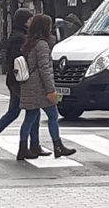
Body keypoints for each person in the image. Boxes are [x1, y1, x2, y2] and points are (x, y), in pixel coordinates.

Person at [0, 9, 48, 158]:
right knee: (32, 110)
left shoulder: (16, 36)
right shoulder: (20, 38)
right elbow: (20, 61)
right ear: (24, 21)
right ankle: (30, 146)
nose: (31, 22)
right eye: (30, 20)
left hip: (14, 80)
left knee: (15, 112)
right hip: (20, 81)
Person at [17, 14, 76, 160]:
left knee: (30, 118)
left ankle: (23, 148)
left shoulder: (29, 43)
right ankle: (58, 146)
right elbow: (45, 68)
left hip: (29, 85)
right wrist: (51, 90)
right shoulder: (42, 45)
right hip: (40, 87)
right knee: (53, 116)